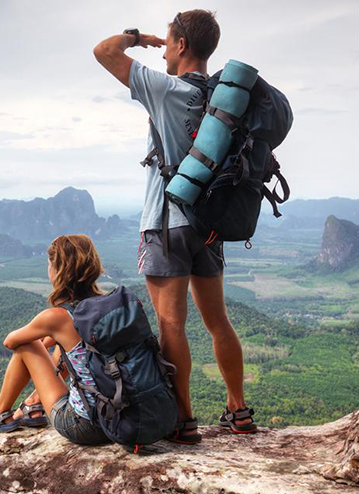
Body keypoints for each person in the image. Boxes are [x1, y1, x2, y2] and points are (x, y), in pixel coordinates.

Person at [92, 10, 257, 444]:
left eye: (167, 43)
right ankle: (238, 410)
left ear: (182, 46)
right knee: (218, 321)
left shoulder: (165, 89)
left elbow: (103, 51)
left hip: (166, 223)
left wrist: (137, 37)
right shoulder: (224, 99)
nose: (162, 51)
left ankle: (183, 420)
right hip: (210, 224)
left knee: (171, 325)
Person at [0, 234, 111, 446]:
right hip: (121, 417)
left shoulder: (57, 317)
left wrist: (45, 339)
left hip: (86, 426)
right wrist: (54, 339)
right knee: (65, 346)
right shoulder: (107, 304)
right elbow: (67, 339)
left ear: (58, 271)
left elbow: (11, 342)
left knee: (27, 344)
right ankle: (33, 403)